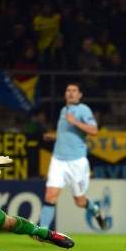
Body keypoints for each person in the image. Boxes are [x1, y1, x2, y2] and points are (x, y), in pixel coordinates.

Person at [38, 83, 106, 230]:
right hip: (58, 160)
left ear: (80, 95)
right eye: (68, 90)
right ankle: (42, 231)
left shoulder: (83, 110)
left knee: (80, 201)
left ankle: (94, 209)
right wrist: (54, 136)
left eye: (74, 91)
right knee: (50, 195)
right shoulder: (64, 110)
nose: (70, 93)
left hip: (77, 162)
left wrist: (75, 121)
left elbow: (94, 130)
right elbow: (67, 135)